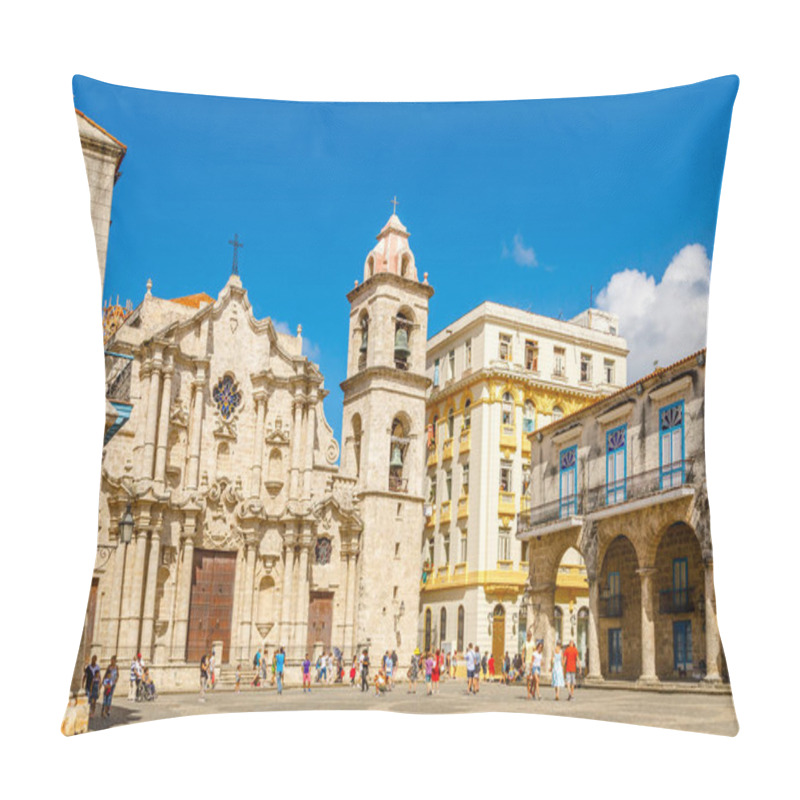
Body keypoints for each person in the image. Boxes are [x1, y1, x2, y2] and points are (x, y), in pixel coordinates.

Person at [523, 630, 537, 699]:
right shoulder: (525, 643)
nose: (529, 636)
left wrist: (533, 662)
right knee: (528, 679)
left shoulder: (533, 643)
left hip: (532, 662)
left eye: (530, 635)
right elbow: (523, 653)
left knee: (533, 678)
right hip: (527, 662)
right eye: (528, 635)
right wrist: (523, 662)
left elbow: (534, 654)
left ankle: (532, 689)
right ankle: (528, 693)